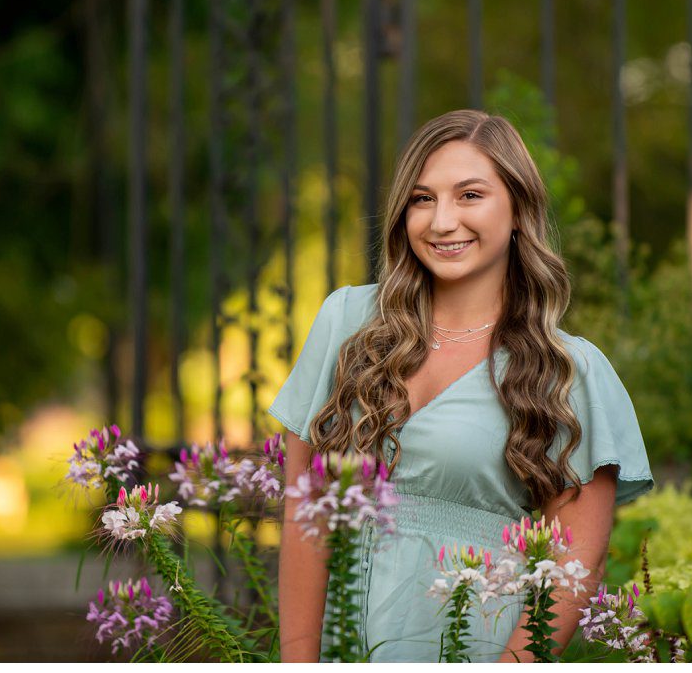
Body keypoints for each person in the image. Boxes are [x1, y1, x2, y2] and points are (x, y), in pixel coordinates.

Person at [270, 110, 650, 662]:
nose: (442, 221)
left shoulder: (570, 372)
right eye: (422, 199)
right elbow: (304, 517)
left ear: (518, 208)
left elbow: (573, 570)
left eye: (470, 195)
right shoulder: (346, 322)